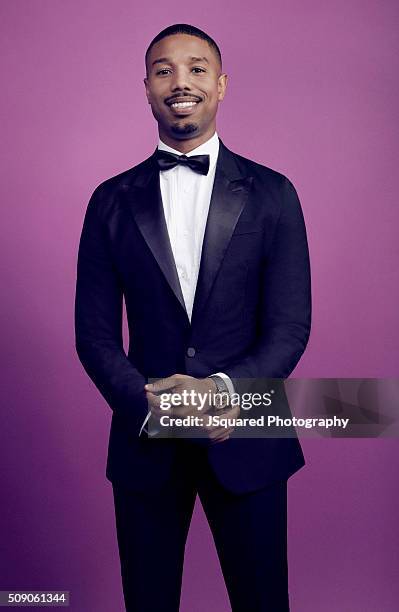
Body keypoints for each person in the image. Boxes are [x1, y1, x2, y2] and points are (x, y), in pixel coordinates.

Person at [75, 23, 311, 612]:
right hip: (145, 440)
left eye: (197, 68)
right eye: (163, 70)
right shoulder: (110, 199)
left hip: (247, 433)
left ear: (222, 84)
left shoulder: (274, 192)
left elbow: (290, 325)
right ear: (147, 88)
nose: (180, 82)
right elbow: (94, 334)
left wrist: (226, 392)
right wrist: (148, 401)